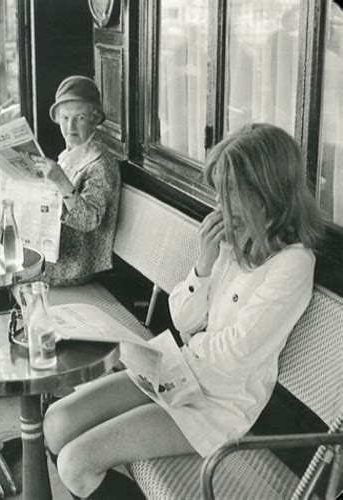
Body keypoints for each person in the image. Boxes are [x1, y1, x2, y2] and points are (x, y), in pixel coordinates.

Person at [43, 123, 323, 499]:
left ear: (266, 193)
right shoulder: (237, 239)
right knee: (56, 423)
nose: (221, 206)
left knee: (76, 463)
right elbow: (183, 319)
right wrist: (204, 263)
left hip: (217, 405)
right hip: (177, 372)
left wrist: (188, 345)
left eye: (230, 193)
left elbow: (235, 357)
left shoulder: (293, 265)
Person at [33, 75, 121, 286]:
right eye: (65, 118)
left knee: (16, 272)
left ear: (94, 118)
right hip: (57, 250)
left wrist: (61, 180)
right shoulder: (71, 152)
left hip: (77, 265)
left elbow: (89, 221)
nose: (71, 127)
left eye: (79, 118)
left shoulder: (101, 163)